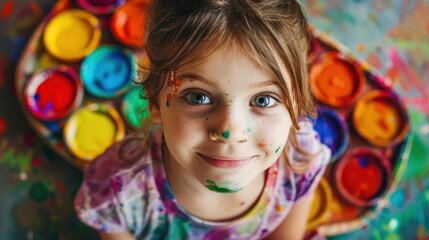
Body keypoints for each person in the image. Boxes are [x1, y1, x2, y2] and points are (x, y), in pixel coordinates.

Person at [74, 0, 331, 239]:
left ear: (295, 103)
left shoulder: (299, 161)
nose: (230, 131)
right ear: (154, 100)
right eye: (197, 97)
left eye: (263, 100)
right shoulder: (118, 191)